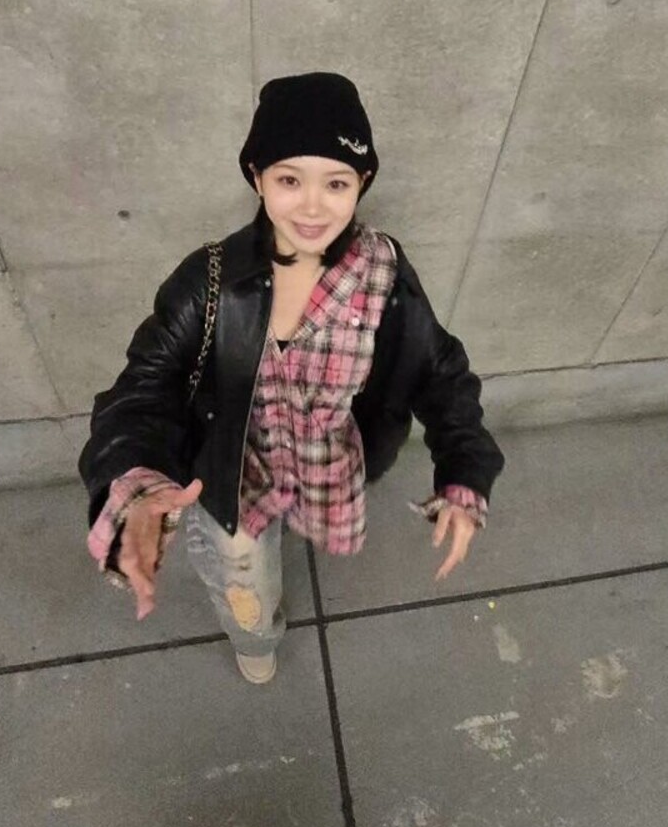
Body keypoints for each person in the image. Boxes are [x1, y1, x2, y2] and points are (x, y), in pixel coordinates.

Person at [78, 72, 504, 683]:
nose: (311, 206)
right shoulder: (212, 281)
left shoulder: (381, 273)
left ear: (363, 182)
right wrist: (138, 487)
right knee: (244, 582)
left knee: (298, 527)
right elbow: (145, 387)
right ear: (257, 177)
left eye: (336, 183)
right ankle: (255, 638)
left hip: (324, 466)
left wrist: (463, 471)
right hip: (233, 478)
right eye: (288, 180)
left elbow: (439, 369)